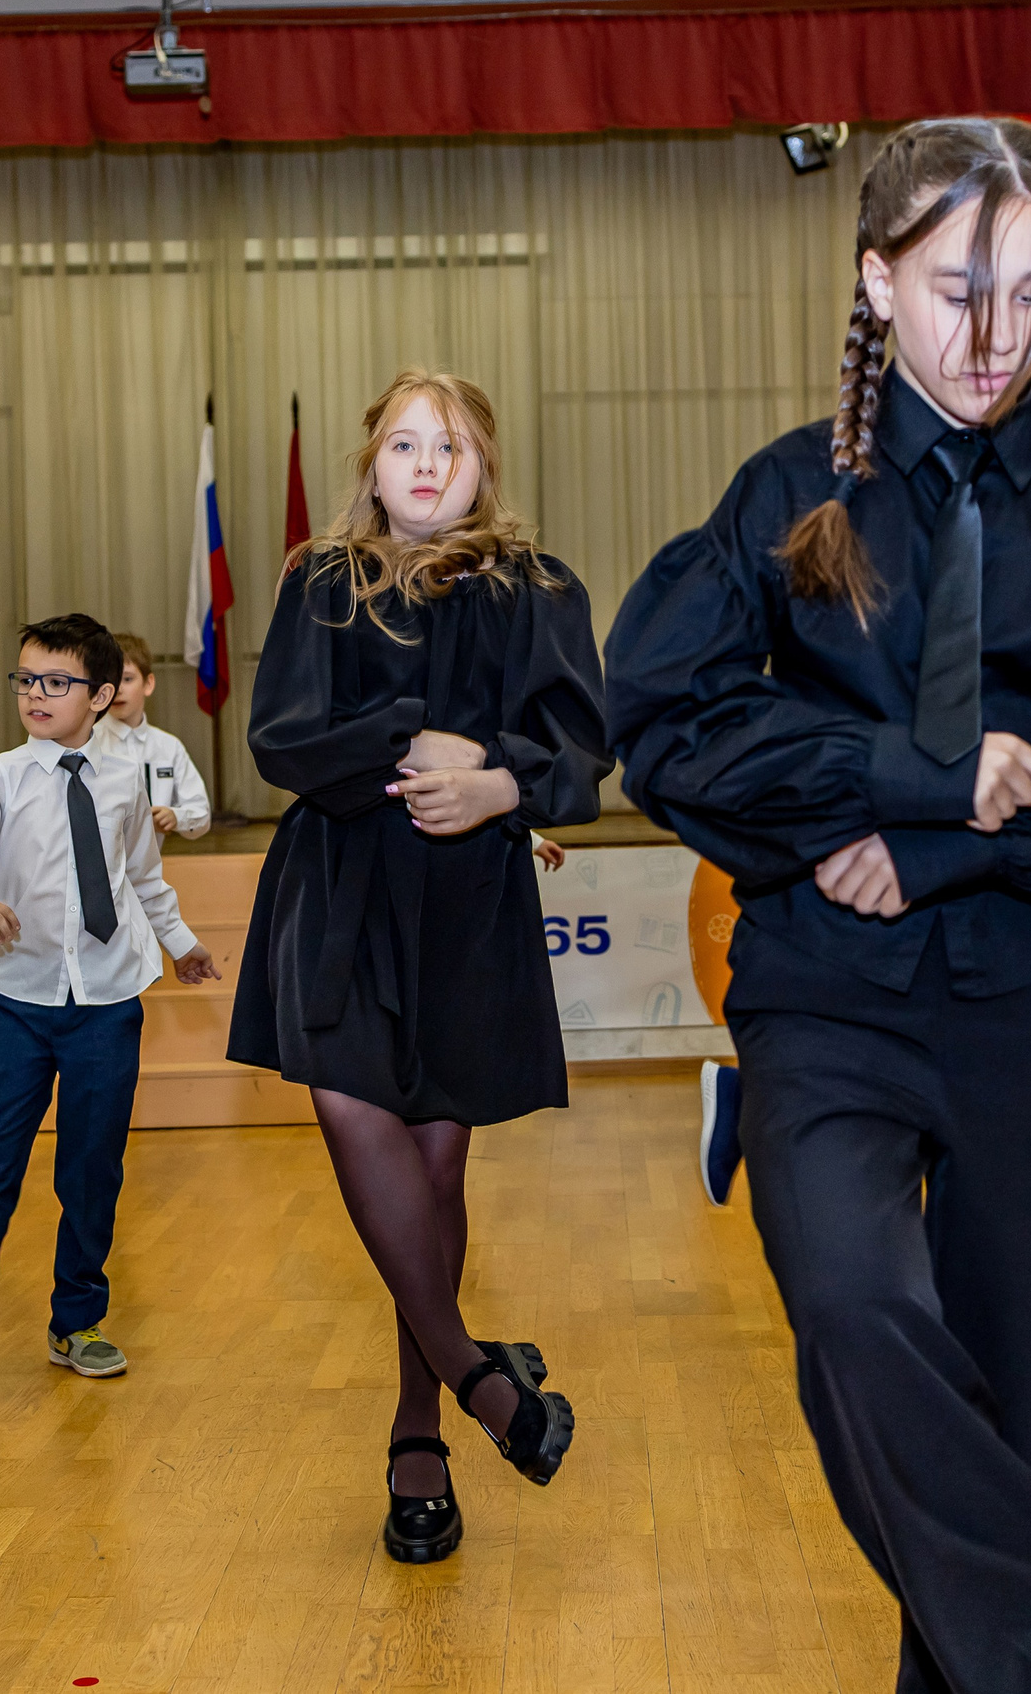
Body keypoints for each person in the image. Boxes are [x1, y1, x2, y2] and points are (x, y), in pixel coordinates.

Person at [605, 118, 1031, 1693]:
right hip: (823, 998)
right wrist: (916, 772)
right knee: (855, 1307)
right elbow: (675, 727)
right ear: (879, 281)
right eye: (962, 286)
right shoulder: (782, 498)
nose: (996, 335)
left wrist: (954, 842)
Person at [230, 367, 608, 1566]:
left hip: (466, 902)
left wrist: (498, 779)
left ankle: (417, 1431)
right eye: (402, 444)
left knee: (435, 1171)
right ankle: (477, 1378)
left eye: (448, 444)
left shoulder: (539, 588)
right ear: (372, 465)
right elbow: (281, 738)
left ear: (483, 461)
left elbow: (581, 747)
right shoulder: (319, 580)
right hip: (338, 887)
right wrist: (410, 743)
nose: (426, 464)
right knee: (353, 1114)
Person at [0, 614, 220, 1386]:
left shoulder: (130, 779)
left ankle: (78, 1323)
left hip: (109, 1001)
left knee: (92, 1170)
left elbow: (144, 879)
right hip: (21, 1003)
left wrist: (183, 943)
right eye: (27, 679)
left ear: (99, 695)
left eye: (56, 682)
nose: (37, 694)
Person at [103, 632, 212, 839]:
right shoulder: (86, 742)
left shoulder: (169, 747)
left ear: (148, 684)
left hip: (150, 870)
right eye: (108, 679)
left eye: (127, 678)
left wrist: (176, 817)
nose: (117, 689)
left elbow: (202, 816)